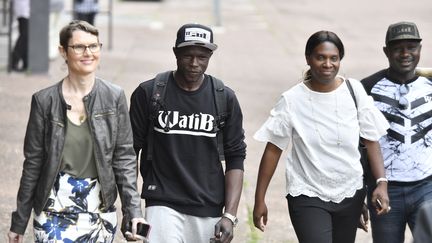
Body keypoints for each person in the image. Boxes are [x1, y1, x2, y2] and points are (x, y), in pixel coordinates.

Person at [7, 20, 146, 243]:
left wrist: (133, 212)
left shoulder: (114, 97)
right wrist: (19, 222)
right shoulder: (44, 101)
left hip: (99, 211)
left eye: (93, 46)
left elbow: (124, 159)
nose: (88, 53)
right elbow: (33, 163)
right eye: (79, 47)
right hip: (53, 210)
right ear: (63, 51)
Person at [253, 30, 390, 243]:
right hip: (308, 193)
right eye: (321, 57)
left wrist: (381, 182)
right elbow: (273, 150)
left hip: (350, 193)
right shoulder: (292, 100)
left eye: (333, 58)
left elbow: (371, 140)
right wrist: (259, 199)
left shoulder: (354, 91)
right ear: (308, 59)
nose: (328, 64)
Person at [129, 23, 247, 243]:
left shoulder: (224, 98)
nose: (194, 63)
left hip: (209, 204)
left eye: (202, 57)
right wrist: (133, 210)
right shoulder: (148, 93)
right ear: (175, 52)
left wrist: (229, 216)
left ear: (210, 56)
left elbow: (236, 158)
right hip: (160, 201)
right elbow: (129, 154)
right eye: (187, 56)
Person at [361, 21, 432, 243]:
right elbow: (358, 144)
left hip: (427, 187)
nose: (405, 53)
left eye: (411, 47)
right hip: (384, 191)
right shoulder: (367, 88)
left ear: (420, 50)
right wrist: (358, 196)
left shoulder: (430, 85)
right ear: (386, 51)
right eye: (398, 48)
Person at [11, 0, 29, 72]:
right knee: (24, 36)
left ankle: (25, 63)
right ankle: (13, 61)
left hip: (24, 10)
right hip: (23, 11)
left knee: (26, 37)